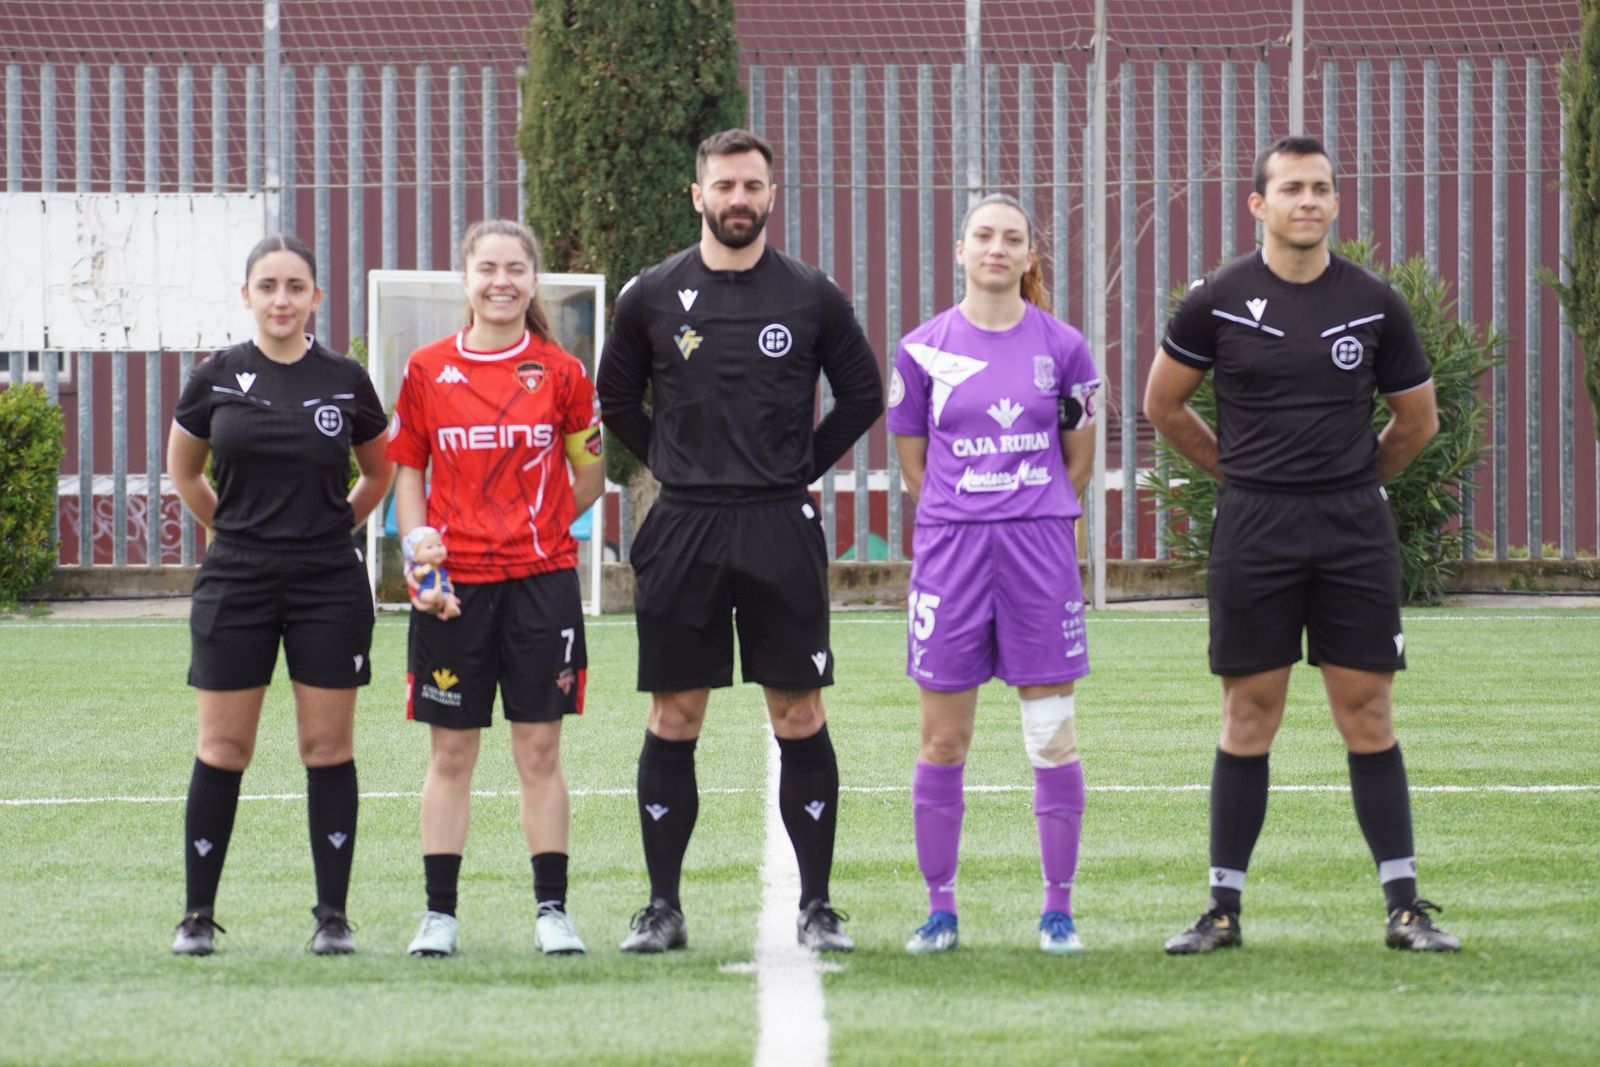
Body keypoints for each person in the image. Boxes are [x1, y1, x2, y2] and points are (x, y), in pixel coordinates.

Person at [1143, 135, 1459, 954]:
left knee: (1369, 713)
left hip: (1353, 528)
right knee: (1249, 714)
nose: (1308, 201)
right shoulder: (1214, 299)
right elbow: (1163, 406)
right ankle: (1222, 911)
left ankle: (1405, 906)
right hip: (1255, 528)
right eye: (1291, 188)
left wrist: (1355, 477)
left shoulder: (1375, 302)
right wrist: (1239, 472)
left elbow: (1417, 421)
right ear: (1259, 204)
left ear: (1335, 201)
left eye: (1321, 187)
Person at [597, 128, 883, 953]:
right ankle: (662, 907)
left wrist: (796, 467)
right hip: (682, 524)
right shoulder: (650, 295)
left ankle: (818, 905)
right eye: (723, 186)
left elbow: (860, 397)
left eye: (752, 186)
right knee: (675, 711)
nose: (738, 200)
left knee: (798, 712)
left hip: (777, 524)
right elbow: (618, 400)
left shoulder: (810, 294)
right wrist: (675, 465)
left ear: (770, 194)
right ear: (698, 195)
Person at [166, 234, 392, 956]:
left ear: (316, 297)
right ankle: (197, 916)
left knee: (326, 745)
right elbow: (186, 473)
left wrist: (331, 530)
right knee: (224, 746)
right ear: (248, 296)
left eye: (296, 286)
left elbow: (378, 475)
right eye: (268, 286)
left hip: (328, 579)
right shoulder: (216, 377)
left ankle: (332, 917)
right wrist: (233, 530)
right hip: (237, 578)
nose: (282, 299)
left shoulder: (346, 379)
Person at [888, 193, 1100, 956]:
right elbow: (914, 461)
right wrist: (965, 510)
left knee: (1051, 735)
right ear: (960, 249)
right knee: (944, 739)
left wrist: (1034, 508)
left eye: (1013, 238)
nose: (998, 249)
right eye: (984, 235)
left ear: (1030, 256)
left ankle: (1058, 912)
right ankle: (940, 910)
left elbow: (1078, 457)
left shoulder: (1065, 347)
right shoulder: (921, 349)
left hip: (1038, 550)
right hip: (952, 551)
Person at [388, 218, 604, 959]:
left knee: (538, 751)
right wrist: (422, 552)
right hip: (455, 590)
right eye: (487, 268)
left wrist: (539, 528)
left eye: (516, 268)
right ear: (466, 279)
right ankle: (439, 916)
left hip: (542, 586)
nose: (501, 280)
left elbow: (591, 473)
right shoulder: (425, 370)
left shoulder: (565, 373)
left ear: (534, 280)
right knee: (451, 755)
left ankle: (553, 912)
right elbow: (408, 470)